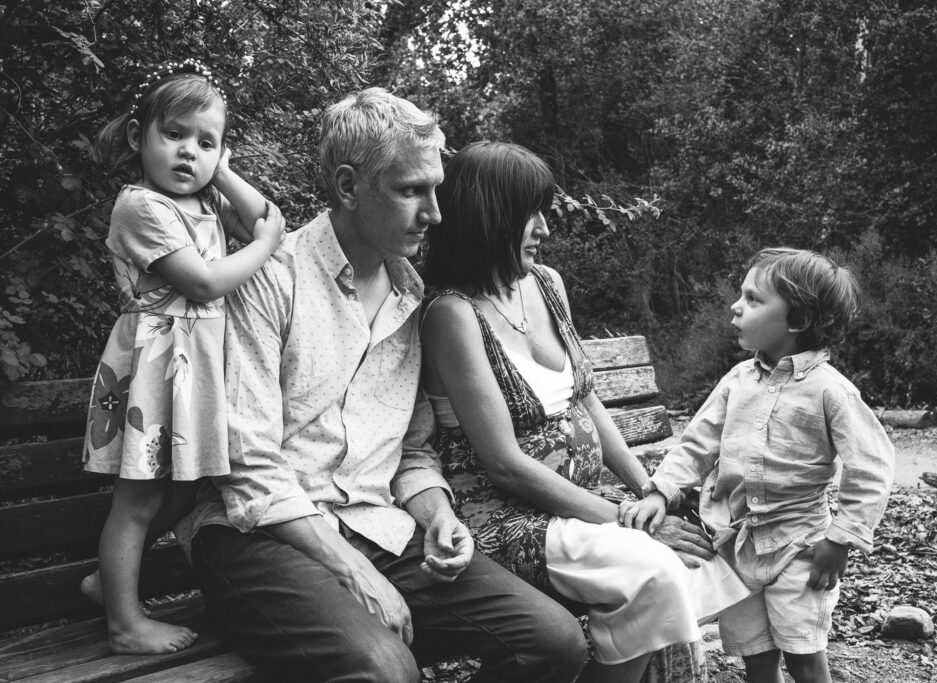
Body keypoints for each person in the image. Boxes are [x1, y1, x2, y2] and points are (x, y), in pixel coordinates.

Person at [172, 89, 589, 682]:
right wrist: (348, 567)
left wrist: (441, 516)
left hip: (378, 527)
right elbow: (247, 466)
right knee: (386, 671)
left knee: (552, 641)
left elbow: (412, 451)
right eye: (411, 190)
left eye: (436, 189)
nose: (435, 213)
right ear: (348, 187)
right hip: (257, 538)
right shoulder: (270, 281)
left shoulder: (414, 299)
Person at [419, 141, 750, 683]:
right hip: (506, 517)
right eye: (531, 213)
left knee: (707, 555)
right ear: (488, 216)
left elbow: (586, 398)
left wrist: (650, 495)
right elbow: (503, 463)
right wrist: (626, 522)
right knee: (654, 572)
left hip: (583, 508)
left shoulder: (546, 286)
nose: (545, 229)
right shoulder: (452, 315)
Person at [82, 58, 285, 655]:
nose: (187, 153)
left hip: (193, 370)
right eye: (173, 135)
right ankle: (124, 623)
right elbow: (203, 282)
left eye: (206, 142)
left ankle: (107, 584)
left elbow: (264, 217)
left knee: (184, 492)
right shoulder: (140, 207)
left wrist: (221, 174)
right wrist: (267, 247)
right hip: (155, 367)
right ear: (137, 135)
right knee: (139, 500)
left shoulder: (205, 203)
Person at [621, 247, 896, 683]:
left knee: (805, 657)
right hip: (736, 546)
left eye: (753, 299)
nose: (736, 306)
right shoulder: (736, 381)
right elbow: (697, 444)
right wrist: (661, 490)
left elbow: (872, 467)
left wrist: (842, 537)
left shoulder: (829, 392)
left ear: (798, 321)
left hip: (800, 547)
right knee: (756, 656)